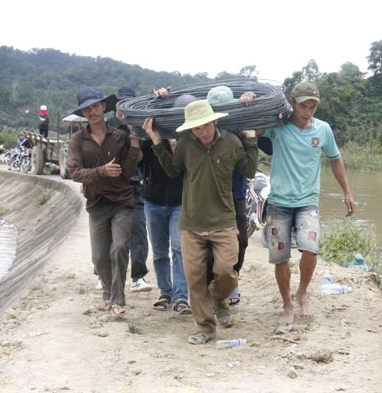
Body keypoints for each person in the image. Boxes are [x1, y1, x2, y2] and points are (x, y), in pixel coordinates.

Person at [142, 99, 258, 345]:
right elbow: (173, 171)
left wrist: (250, 139)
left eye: (206, 125)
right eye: (197, 128)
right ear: (191, 130)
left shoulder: (230, 142)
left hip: (223, 221)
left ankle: (218, 296)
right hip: (192, 224)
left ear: (215, 121)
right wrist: (157, 143)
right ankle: (206, 328)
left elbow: (248, 170)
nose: (203, 131)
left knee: (227, 270)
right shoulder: (185, 144)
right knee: (194, 278)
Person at [260, 82, 356, 325]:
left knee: (310, 248)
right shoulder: (278, 127)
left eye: (313, 107)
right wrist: (253, 102)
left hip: (307, 202)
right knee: (280, 257)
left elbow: (335, 160)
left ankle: (302, 292)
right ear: (292, 103)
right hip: (279, 202)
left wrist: (347, 191)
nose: (308, 112)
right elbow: (253, 128)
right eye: (303, 106)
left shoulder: (323, 130)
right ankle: (286, 303)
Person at [66, 86, 141, 318]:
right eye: (87, 109)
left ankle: (118, 300)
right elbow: (74, 172)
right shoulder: (78, 140)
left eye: (96, 106)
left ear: (103, 107)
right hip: (96, 203)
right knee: (98, 257)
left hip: (122, 201)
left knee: (119, 247)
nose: (93, 111)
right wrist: (101, 171)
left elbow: (127, 172)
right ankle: (107, 294)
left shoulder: (119, 137)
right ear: (83, 114)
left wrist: (135, 146)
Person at [204, 86, 272, 307]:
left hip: (235, 195)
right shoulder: (203, 130)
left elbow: (267, 143)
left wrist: (253, 101)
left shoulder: (239, 126)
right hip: (208, 196)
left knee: (241, 242)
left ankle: (229, 281)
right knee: (208, 246)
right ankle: (212, 287)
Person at [140, 94, 196, 315]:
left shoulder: (191, 140)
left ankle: (181, 297)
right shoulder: (151, 135)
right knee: (160, 251)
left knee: (179, 249)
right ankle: (166, 292)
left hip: (180, 202)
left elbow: (180, 168)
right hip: (153, 200)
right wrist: (158, 99)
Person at [109, 86, 153, 293]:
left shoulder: (139, 128)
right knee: (109, 235)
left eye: (128, 102)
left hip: (134, 187)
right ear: (116, 104)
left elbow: (143, 158)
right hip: (108, 188)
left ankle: (138, 277)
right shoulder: (106, 126)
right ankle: (105, 275)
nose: (124, 105)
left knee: (138, 232)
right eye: (121, 102)